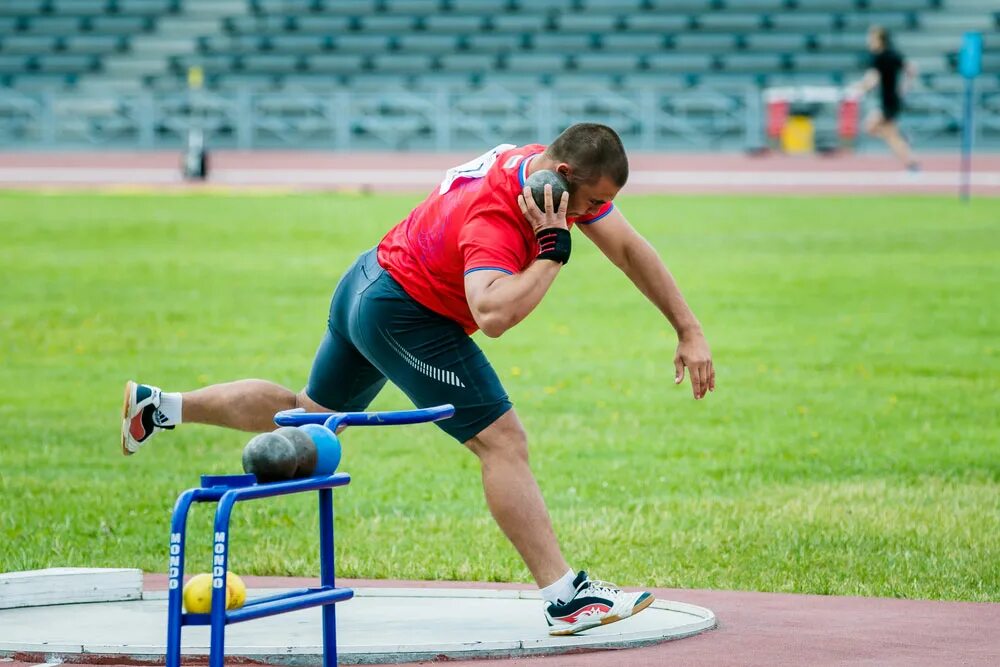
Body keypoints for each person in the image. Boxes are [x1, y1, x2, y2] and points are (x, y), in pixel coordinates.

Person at [121, 123, 715, 636]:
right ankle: (565, 597)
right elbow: (493, 313)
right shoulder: (500, 214)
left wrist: (688, 329)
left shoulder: (540, 171)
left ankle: (159, 407)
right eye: (588, 204)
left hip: (369, 277)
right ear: (561, 174)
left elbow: (630, 249)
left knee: (307, 410)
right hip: (403, 311)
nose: (591, 217)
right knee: (502, 442)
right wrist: (552, 252)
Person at [852, 25, 920, 171]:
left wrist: (859, 87)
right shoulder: (893, 54)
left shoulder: (879, 57)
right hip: (891, 100)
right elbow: (912, 68)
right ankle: (911, 163)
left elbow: (872, 80)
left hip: (889, 102)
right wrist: (905, 87)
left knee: (871, 128)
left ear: (879, 40)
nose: (869, 41)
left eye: (871, 38)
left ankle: (909, 156)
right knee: (888, 135)